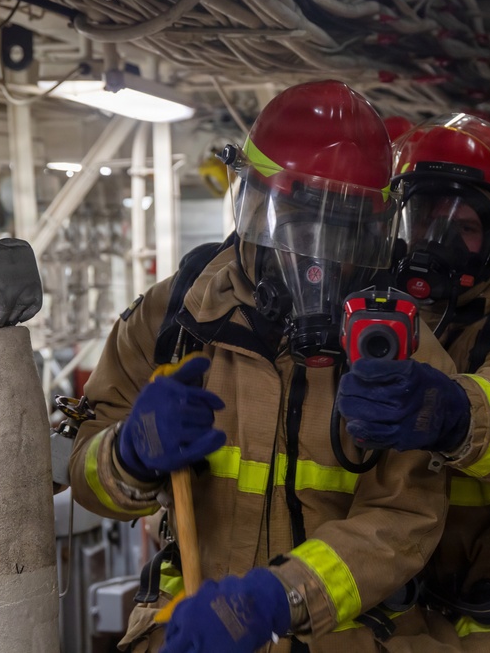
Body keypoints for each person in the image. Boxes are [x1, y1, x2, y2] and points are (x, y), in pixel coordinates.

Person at [67, 80, 457, 653]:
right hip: (185, 630)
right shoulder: (173, 316)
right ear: (253, 207)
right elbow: (84, 474)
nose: (317, 258)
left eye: (343, 230)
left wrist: (280, 598)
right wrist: (126, 454)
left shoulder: (398, 347)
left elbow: (403, 520)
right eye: (299, 223)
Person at [338, 113, 490, 652]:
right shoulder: (374, 323)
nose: (436, 239)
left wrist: (453, 412)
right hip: (400, 627)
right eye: (424, 217)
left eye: (465, 226)